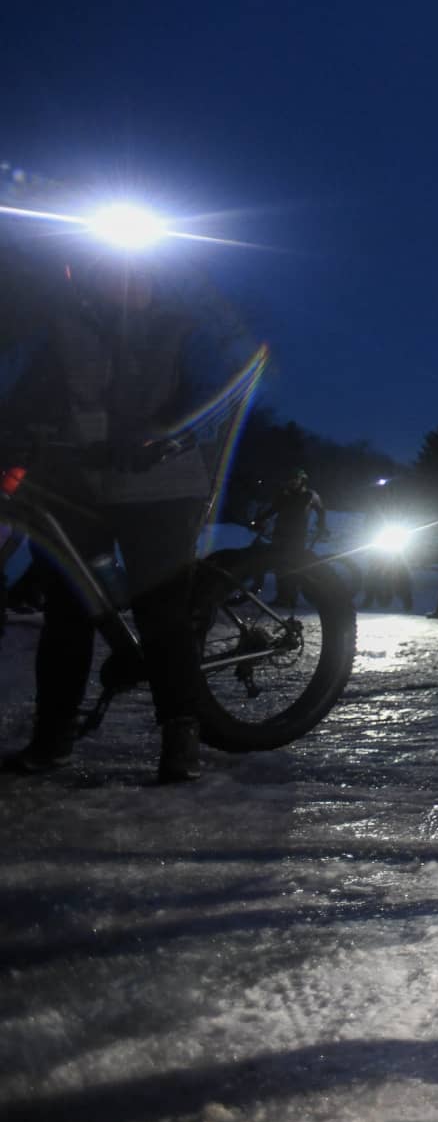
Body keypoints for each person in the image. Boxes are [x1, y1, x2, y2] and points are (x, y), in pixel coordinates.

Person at [0, 224, 241, 782]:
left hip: (161, 482)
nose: (124, 281)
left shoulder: (183, 330)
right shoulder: (62, 333)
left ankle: (181, 732)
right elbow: (22, 400)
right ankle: (53, 736)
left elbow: (214, 392)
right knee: (66, 612)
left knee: (160, 607)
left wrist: (165, 433)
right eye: (109, 270)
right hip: (78, 487)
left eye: (135, 271)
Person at [251, 469, 327, 606]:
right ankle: (281, 597)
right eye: (288, 481)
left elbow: (321, 510)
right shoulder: (284, 494)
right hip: (279, 532)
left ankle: (290, 598)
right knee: (279, 566)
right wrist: (259, 520)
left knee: (291, 567)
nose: (291, 484)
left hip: (297, 536)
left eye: (294, 481)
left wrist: (321, 525)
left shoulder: (310, 495)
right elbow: (273, 509)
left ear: (301, 480)